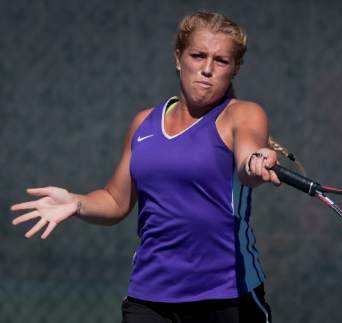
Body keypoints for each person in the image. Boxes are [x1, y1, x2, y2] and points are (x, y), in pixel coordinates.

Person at [10, 11, 282, 323]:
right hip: (150, 297)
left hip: (228, 296)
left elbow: (249, 163)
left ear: (234, 70)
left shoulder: (243, 114)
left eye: (221, 61)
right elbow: (115, 200)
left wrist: (256, 161)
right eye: (198, 55)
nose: (207, 69)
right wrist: (77, 202)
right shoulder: (144, 124)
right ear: (178, 58)